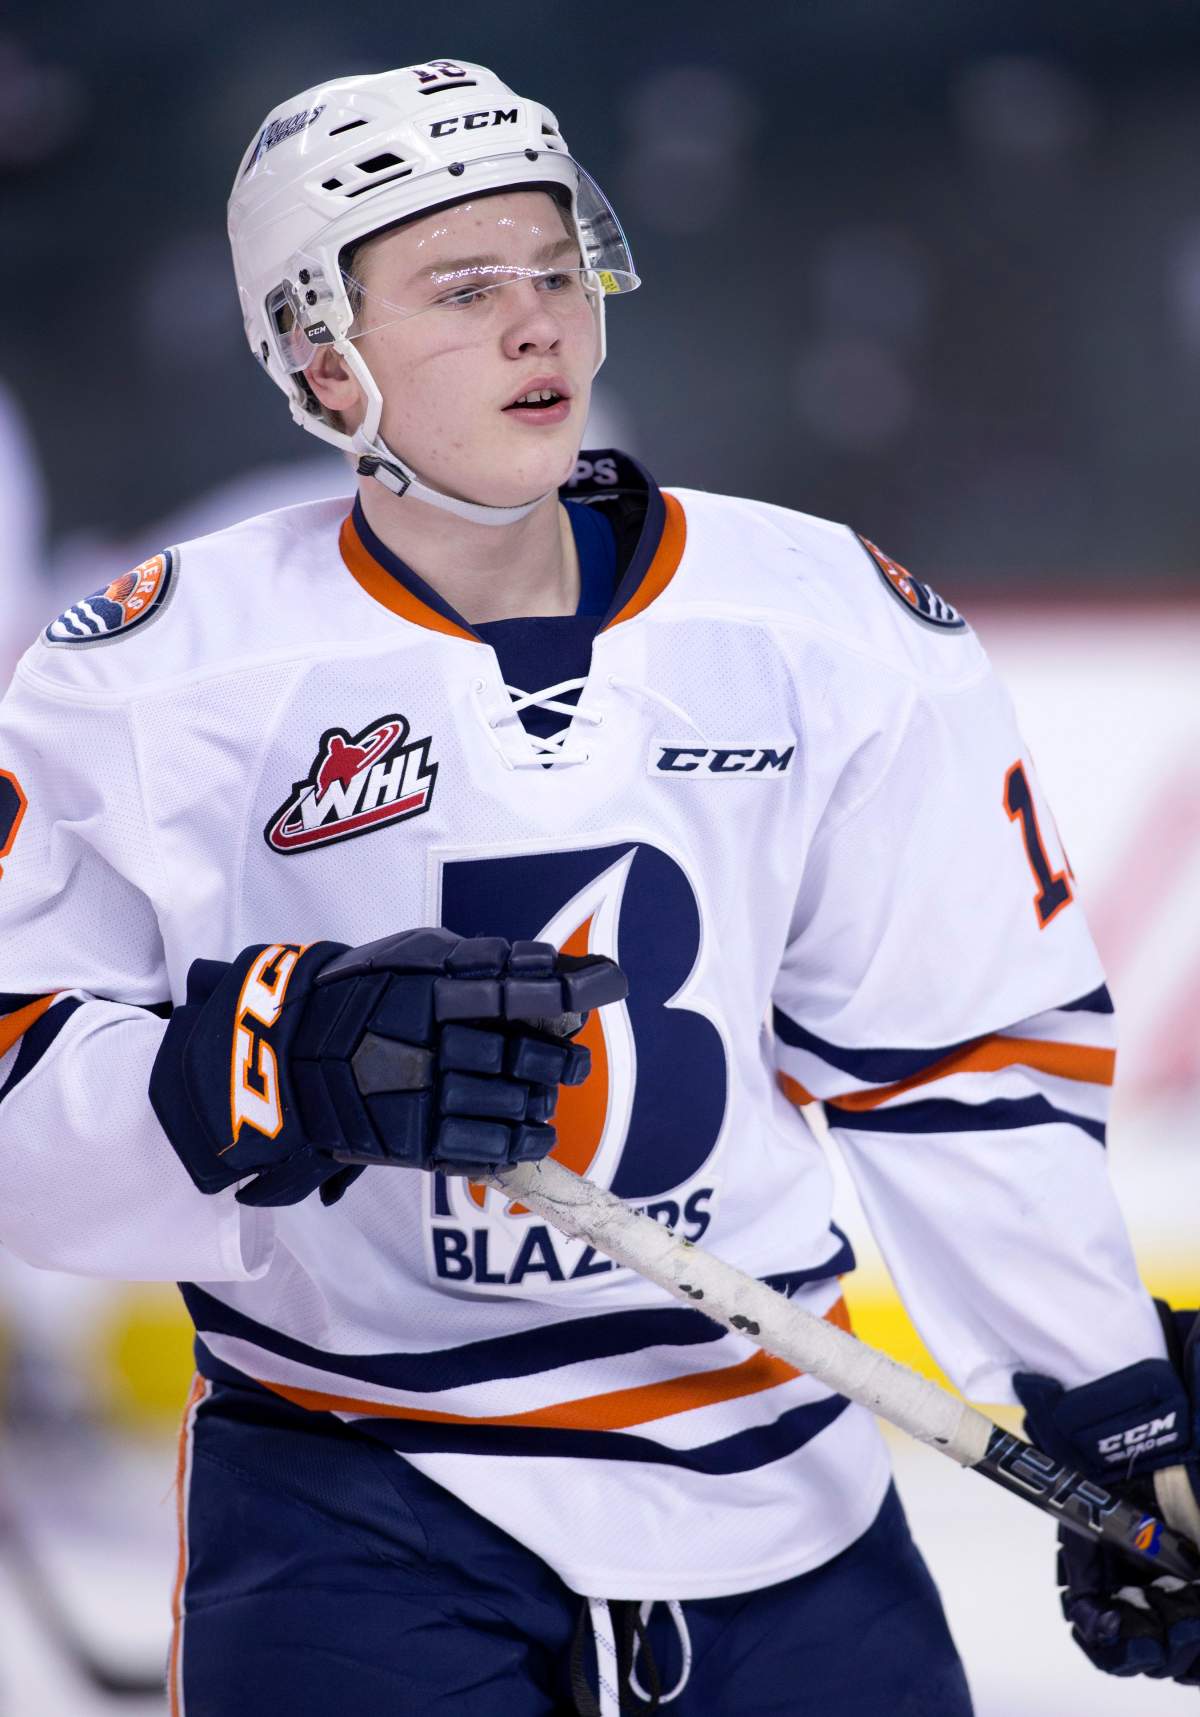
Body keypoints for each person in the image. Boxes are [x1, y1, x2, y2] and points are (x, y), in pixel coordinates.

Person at [0, 56, 1197, 1716]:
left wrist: (1117, 1406)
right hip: (352, 1492)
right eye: (462, 288)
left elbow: (960, 1062)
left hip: (783, 1497)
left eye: (558, 270)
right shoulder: (151, 678)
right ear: (318, 353)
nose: (536, 322)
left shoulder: (829, 624)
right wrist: (275, 1064)